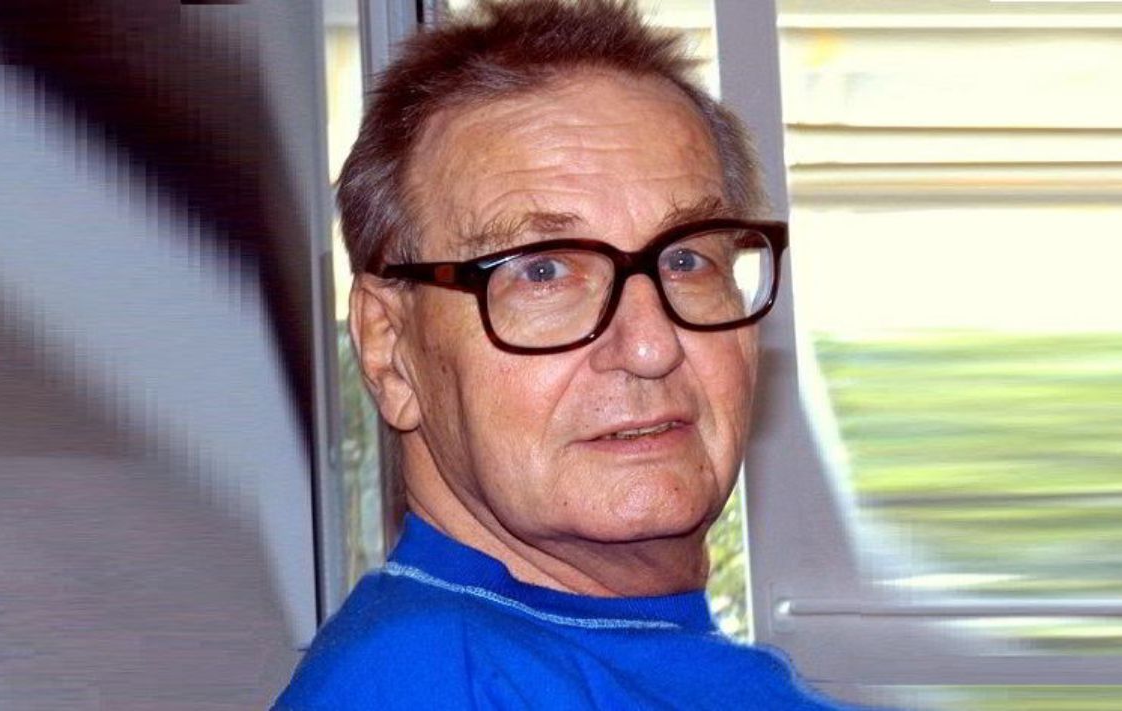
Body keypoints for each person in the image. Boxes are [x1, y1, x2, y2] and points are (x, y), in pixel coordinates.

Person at [276, 1, 861, 708]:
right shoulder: (428, 680)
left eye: (686, 259)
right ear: (389, 350)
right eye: (543, 271)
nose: (650, 345)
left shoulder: (611, 655)